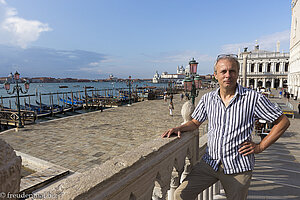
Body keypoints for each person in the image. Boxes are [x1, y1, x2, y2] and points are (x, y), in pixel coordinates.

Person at [162, 54, 290, 200]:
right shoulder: (208, 99)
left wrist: (260, 147)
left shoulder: (253, 98)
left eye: (232, 71)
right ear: (216, 75)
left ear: (237, 74)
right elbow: (195, 122)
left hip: (239, 167)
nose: (228, 75)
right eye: (223, 72)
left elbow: (283, 122)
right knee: (181, 194)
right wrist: (180, 128)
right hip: (210, 164)